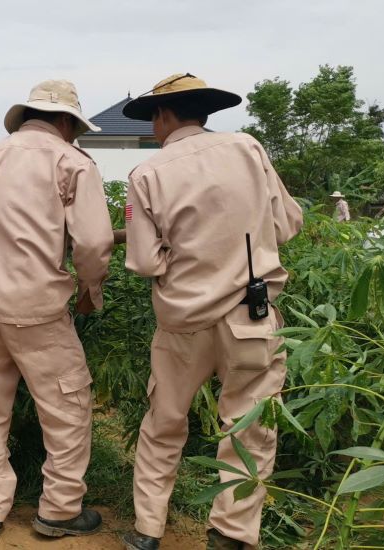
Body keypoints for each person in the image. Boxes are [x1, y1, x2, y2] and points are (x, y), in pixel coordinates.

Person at [119, 73, 304, 550]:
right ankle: (231, 534)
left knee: (163, 422)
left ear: (163, 116)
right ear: (203, 113)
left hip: (184, 320)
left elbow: (142, 261)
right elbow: (288, 223)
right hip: (252, 315)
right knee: (249, 427)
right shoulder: (247, 149)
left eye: (153, 121)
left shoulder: (146, 174)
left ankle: (148, 530)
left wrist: (173, 259)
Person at [0, 80, 113, 539]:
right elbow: (96, 242)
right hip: (38, 309)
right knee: (66, 407)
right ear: (65, 122)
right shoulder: (71, 161)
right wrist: (90, 287)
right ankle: (59, 509)